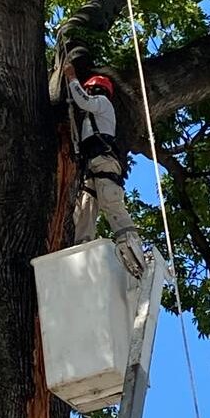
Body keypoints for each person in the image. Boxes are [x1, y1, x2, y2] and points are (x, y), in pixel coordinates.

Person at [63, 63, 146, 278]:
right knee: (85, 209)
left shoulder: (102, 103)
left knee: (110, 202)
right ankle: (82, 252)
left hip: (103, 162)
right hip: (91, 166)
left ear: (95, 89)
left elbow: (83, 100)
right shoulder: (90, 117)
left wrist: (72, 77)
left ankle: (132, 248)